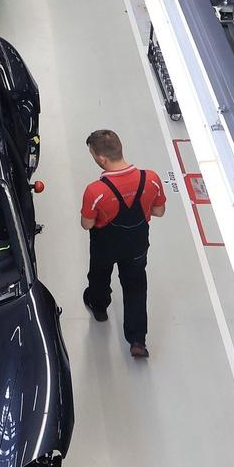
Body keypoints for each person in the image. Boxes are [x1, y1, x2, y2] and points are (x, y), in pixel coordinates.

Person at [80, 129, 166, 358]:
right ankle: (137, 340)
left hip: (105, 245)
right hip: (137, 244)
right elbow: (159, 211)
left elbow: (87, 225)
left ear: (101, 158)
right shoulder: (152, 179)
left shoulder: (95, 191)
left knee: (98, 275)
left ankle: (99, 308)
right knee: (136, 286)